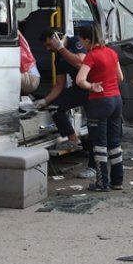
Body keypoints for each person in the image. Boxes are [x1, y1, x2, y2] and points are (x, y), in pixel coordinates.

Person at [35, 28, 95, 179]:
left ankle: (94, 166)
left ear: (57, 38)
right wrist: (44, 101)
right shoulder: (58, 56)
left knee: (94, 128)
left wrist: (61, 48)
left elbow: (80, 62)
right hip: (78, 89)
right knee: (55, 107)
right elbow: (59, 85)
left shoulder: (76, 42)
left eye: (50, 45)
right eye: (47, 47)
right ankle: (73, 139)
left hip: (92, 88)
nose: (49, 49)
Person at [75, 25, 125, 192]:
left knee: (99, 144)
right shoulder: (112, 52)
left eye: (81, 41)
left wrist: (91, 86)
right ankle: (117, 181)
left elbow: (80, 80)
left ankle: (102, 183)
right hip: (116, 100)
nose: (81, 44)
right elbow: (120, 77)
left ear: (87, 40)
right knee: (114, 142)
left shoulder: (92, 56)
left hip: (100, 101)